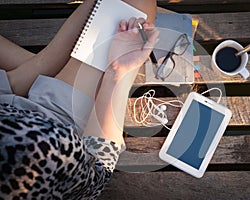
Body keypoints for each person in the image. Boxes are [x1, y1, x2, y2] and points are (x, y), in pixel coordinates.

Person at [0, 0, 158, 199]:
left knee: (117, 10)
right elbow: (97, 170)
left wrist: (41, 64)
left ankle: (42, 68)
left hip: (9, 100)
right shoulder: (38, 159)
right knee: (135, 6)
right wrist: (116, 73)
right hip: (54, 119)